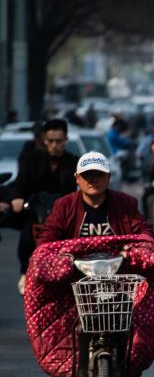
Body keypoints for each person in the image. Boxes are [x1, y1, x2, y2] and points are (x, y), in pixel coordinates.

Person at [37, 152, 154, 377]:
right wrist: (59, 259)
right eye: (87, 176)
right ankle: (76, 372)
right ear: (77, 179)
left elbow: (143, 233)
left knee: (129, 326)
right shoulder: (64, 206)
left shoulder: (126, 204)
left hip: (118, 277)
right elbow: (48, 240)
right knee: (77, 323)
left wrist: (136, 252)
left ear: (108, 178)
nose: (93, 180)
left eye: (98, 175)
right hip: (77, 280)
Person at [11, 119, 80, 294]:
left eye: (59, 141)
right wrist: (18, 198)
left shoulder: (73, 162)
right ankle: (24, 273)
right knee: (27, 238)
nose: (55, 145)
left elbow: (78, 188)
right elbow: (21, 183)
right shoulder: (31, 159)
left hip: (62, 213)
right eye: (51, 141)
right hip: (36, 210)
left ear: (66, 140)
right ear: (44, 140)